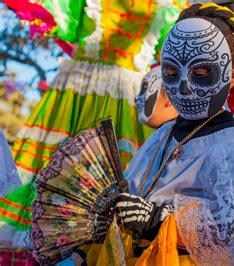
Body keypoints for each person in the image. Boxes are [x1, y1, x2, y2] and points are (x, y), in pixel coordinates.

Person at [0, 0, 187, 256]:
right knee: (56, 172)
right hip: (78, 92)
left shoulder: (170, 5)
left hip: (122, 99)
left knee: (117, 187)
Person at [115, 3, 234, 264]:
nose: (184, 87)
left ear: (232, 78)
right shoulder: (163, 133)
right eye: (171, 73)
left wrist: (159, 219)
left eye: (200, 73)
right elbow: (132, 185)